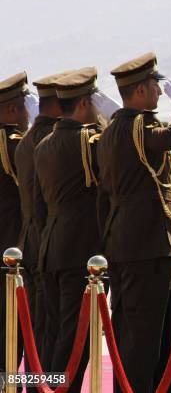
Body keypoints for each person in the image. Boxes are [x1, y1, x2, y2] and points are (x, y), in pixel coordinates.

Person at [97, 52, 171, 392]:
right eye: (155, 86)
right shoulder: (139, 128)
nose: (158, 92)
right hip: (144, 245)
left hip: (121, 242)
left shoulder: (111, 131)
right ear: (140, 91)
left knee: (126, 328)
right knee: (141, 337)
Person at [33, 67, 116, 392]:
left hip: (50, 250)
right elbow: (116, 140)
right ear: (84, 104)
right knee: (74, 341)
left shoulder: (43, 145)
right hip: (79, 254)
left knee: (56, 335)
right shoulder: (86, 141)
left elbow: (40, 207)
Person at [14, 70, 71, 370]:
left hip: (32, 243)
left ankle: (36, 387)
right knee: (57, 330)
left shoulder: (26, 142)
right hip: (51, 245)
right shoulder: (51, 141)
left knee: (40, 330)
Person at [0, 71, 29, 377]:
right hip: (11, 256)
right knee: (12, 336)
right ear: (10, 111)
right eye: (23, 108)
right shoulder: (12, 146)